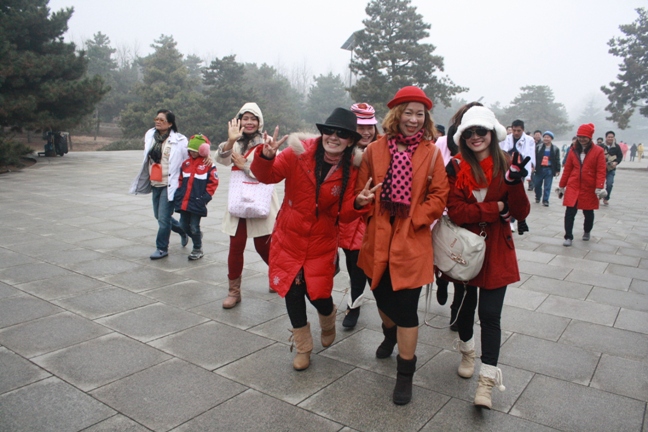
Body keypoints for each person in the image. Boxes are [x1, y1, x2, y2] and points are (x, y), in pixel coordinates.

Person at [355, 86, 449, 405]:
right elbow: (361, 192)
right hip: (378, 238)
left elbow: (439, 195)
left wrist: (416, 217)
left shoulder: (432, 153)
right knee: (381, 296)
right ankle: (389, 334)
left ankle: (405, 373)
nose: (413, 119)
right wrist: (361, 201)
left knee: (407, 308)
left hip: (412, 241)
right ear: (396, 115)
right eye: (408, 112)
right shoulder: (374, 150)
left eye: (420, 114)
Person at [251, 108, 364, 372]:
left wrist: (358, 203)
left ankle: (328, 316)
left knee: (318, 294)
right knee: (292, 292)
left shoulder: (352, 168)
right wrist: (266, 156)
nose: (334, 137)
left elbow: (346, 214)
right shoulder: (297, 152)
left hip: (322, 241)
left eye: (342, 134)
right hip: (289, 237)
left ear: (350, 140)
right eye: (329, 131)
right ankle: (303, 347)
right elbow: (267, 176)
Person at [446, 106, 530, 409]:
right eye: (469, 132)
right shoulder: (455, 166)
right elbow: (457, 211)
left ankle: (487, 382)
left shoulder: (507, 164)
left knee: (491, 315)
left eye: (481, 131)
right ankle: (467, 352)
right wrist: (495, 208)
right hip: (465, 249)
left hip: (497, 249)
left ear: (492, 133)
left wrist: (514, 185)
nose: (475, 137)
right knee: (464, 308)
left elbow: (520, 212)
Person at [217, 102, 280, 308]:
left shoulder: (267, 142)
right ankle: (234, 292)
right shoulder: (235, 141)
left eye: (254, 118)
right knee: (236, 246)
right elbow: (222, 160)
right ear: (239, 120)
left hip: (261, 200)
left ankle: (277, 276)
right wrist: (230, 140)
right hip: (239, 200)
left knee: (263, 246)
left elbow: (271, 172)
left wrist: (245, 166)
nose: (249, 122)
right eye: (245, 118)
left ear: (260, 121)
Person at [434, 101, 484, 331]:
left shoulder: (483, 143)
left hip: (471, 217)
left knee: (467, 273)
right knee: (446, 257)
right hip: (446, 212)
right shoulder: (443, 142)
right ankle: (442, 281)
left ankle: (458, 311)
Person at [339, 103, 380, 329]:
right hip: (349, 216)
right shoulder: (341, 151)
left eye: (369, 127)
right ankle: (353, 304)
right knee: (354, 265)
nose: (366, 132)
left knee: (373, 269)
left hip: (375, 217)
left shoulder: (384, 150)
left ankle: (384, 312)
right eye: (360, 127)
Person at [129, 109, 189, 260]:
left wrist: (205, 157)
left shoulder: (180, 140)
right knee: (159, 216)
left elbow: (188, 158)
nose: (158, 122)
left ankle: (162, 248)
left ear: (170, 123)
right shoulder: (150, 135)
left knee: (163, 218)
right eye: (156, 119)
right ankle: (182, 230)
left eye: (162, 120)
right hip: (154, 182)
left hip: (169, 183)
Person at [558, 123, 606, 246]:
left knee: (588, 212)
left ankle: (587, 231)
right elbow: (567, 169)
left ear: (590, 137)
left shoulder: (598, 151)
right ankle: (568, 236)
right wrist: (562, 186)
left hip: (589, 187)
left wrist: (599, 187)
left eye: (584, 137)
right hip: (573, 185)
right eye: (579, 136)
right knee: (570, 212)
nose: (582, 139)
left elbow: (601, 170)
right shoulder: (573, 150)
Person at [173, 135, 219, 260]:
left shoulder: (208, 165)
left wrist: (205, 197)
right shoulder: (186, 163)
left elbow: (213, 182)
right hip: (184, 201)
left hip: (197, 202)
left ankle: (197, 248)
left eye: (195, 151)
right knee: (183, 225)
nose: (192, 153)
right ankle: (197, 236)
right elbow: (180, 180)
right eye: (190, 150)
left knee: (194, 226)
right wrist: (179, 194)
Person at [499, 120, 535, 235]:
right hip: (506, 169)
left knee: (516, 194)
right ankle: (509, 217)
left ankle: (514, 220)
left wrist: (530, 171)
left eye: (518, 130)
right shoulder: (506, 139)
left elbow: (530, 155)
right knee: (505, 193)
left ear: (523, 130)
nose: (516, 133)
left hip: (519, 171)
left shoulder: (529, 140)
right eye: (514, 130)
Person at [533, 131, 561, 206]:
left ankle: (545, 200)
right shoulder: (538, 147)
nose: (546, 139)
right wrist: (533, 166)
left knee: (547, 186)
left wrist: (558, 169)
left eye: (548, 137)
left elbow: (557, 159)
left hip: (549, 169)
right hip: (539, 168)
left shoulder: (555, 149)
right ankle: (538, 196)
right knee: (537, 184)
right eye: (545, 137)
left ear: (551, 139)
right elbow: (534, 157)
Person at [598, 130, 623, 206]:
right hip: (601, 169)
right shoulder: (601, 146)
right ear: (606, 137)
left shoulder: (616, 147)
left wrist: (616, 162)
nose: (610, 138)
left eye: (612, 137)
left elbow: (620, 156)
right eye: (609, 137)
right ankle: (598, 197)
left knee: (609, 184)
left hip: (611, 169)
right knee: (599, 184)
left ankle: (606, 198)